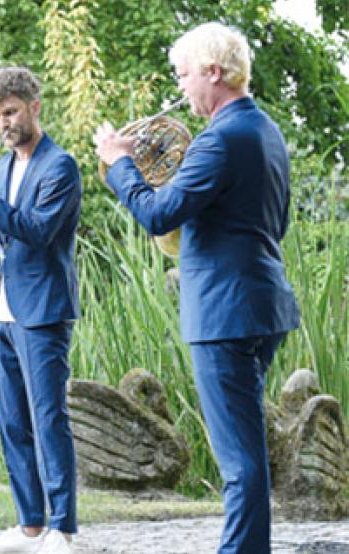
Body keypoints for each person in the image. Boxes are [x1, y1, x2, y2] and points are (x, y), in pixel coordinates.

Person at [93, 22, 300, 554]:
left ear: (213, 72)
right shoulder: (266, 130)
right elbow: (275, 222)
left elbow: (157, 214)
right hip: (261, 303)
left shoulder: (219, 138)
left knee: (237, 460)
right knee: (246, 449)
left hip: (224, 313)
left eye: (183, 75)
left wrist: (120, 162)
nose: (181, 87)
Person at [0, 66, 82, 554]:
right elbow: (6, 234)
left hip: (43, 309)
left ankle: (61, 528)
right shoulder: (5, 167)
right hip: (3, 308)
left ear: (34, 107)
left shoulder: (60, 166)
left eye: (10, 112)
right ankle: (29, 525)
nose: (3, 124)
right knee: (12, 422)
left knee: (48, 419)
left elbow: (39, 231)